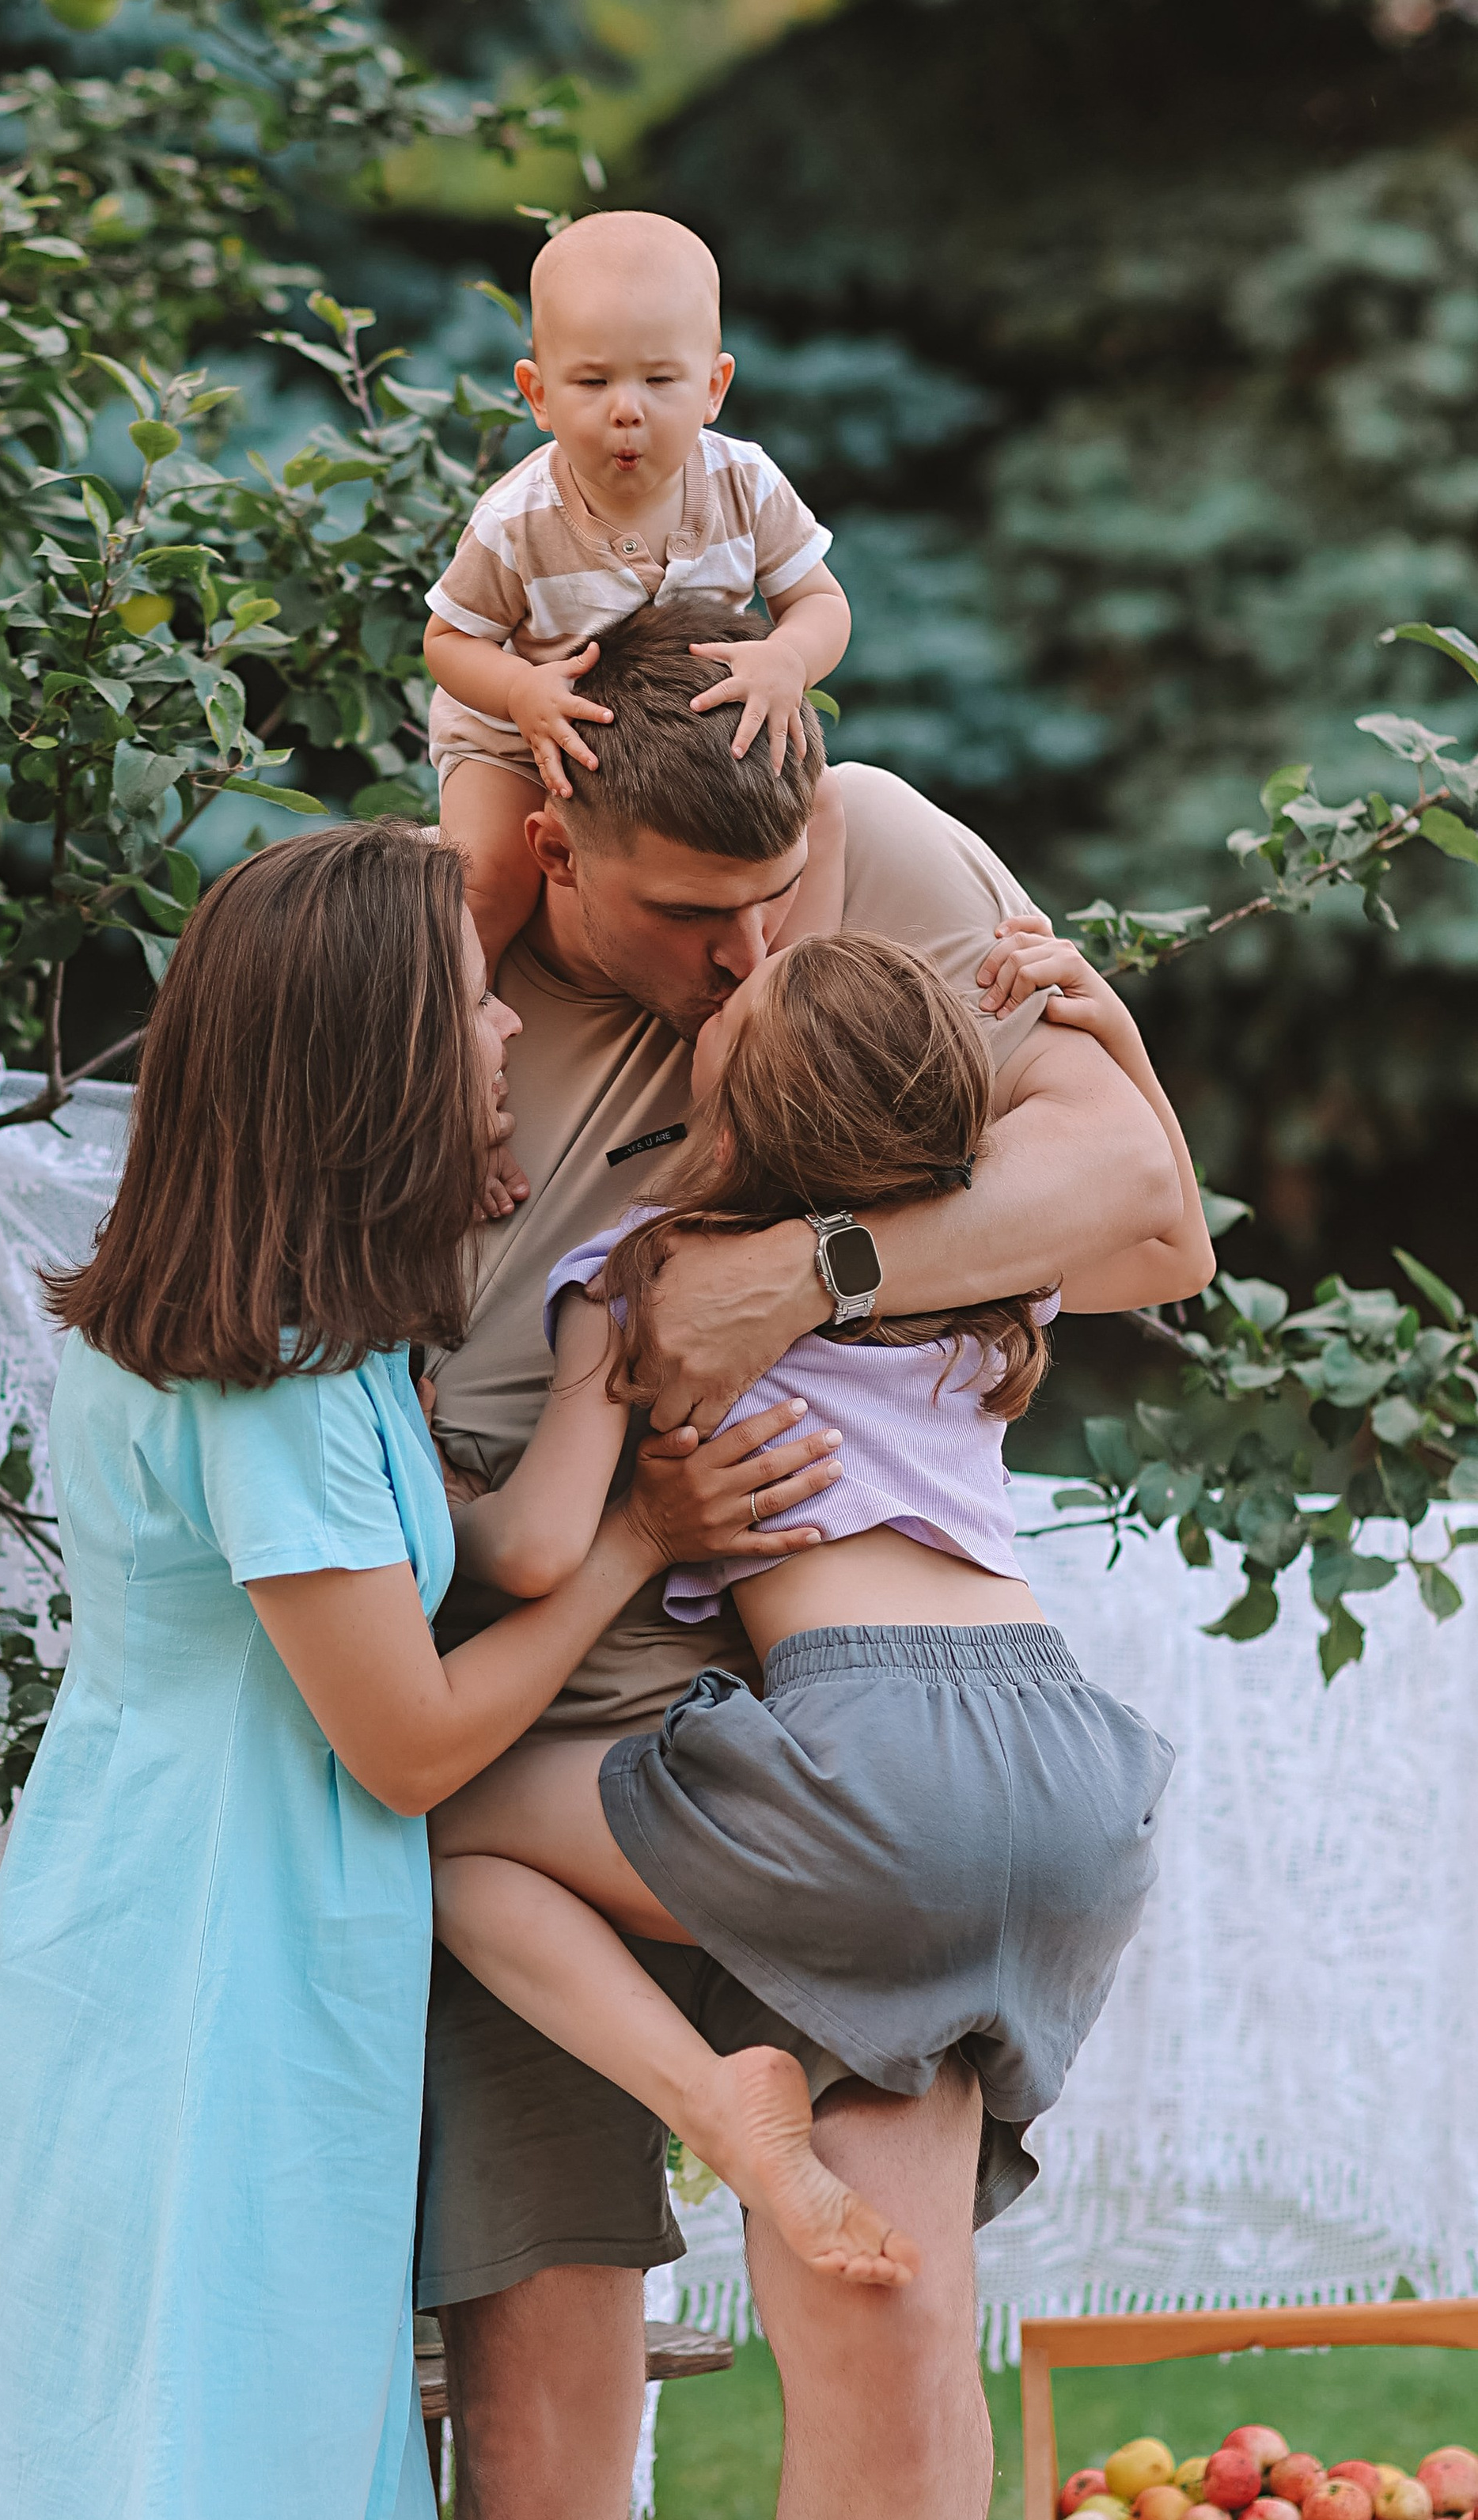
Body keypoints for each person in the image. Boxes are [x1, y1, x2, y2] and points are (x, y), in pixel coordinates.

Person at [0, 823, 845, 2520]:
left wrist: (611, 1383)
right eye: (469, 1000)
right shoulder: (266, 1374)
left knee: (250, 2492)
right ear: (370, 1052)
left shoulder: (333, 1346)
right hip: (199, 1972)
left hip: (254, 1946)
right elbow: (411, 1744)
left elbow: (484, 1551)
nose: (504, 1028)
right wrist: (640, 1550)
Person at [415, 596, 1217, 2520]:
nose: (752, 950)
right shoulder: (419, 977)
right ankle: (714, 2111)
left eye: (776, 900)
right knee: (538, 2433)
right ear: (553, 846)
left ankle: (728, 2118)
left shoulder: (843, 887)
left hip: (812, 1756)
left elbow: (1147, 1211)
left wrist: (808, 1270)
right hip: (945, 1755)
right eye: (695, 915)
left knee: (882, 2317)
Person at [427, 928, 1189, 2323]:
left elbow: (534, 1550)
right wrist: (1116, 1032)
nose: (742, 965)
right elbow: (1177, 1243)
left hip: (877, 1772)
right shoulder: (983, 1278)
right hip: (1080, 1782)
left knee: (445, 1832)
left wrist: (421, 1503)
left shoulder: (654, 1277)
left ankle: (713, 2102)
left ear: (731, 1112)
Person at [423, 210, 852, 983]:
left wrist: (787, 658)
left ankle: (788, 997)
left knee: (816, 813)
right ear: (538, 394)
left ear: (713, 387)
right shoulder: (515, 520)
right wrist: (520, 691)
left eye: (659, 380)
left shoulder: (746, 483)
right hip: (528, 735)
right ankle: (451, 1019)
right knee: (488, 875)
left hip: (677, 746)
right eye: (592, 382)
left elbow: (819, 601)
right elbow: (450, 641)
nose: (627, 408)